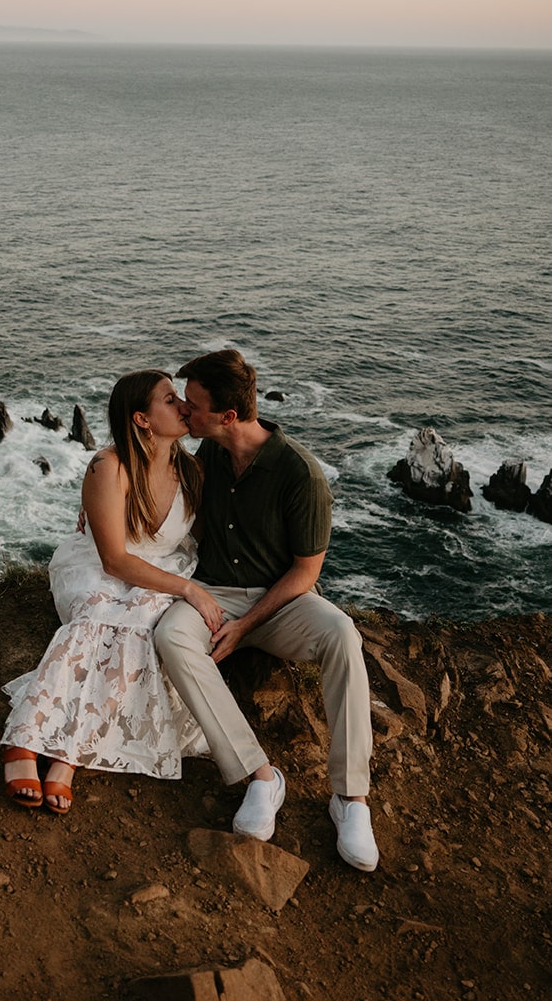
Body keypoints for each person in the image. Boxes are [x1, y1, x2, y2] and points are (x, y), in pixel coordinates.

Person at [154, 348, 379, 871]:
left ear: (228, 417)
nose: (185, 412)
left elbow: (306, 572)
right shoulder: (205, 455)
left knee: (343, 634)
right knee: (171, 637)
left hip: (281, 601)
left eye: (194, 405)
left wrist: (245, 626)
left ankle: (350, 798)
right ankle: (261, 776)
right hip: (211, 591)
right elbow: (144, 476)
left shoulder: (301, 473)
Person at [1, 369, 226, 814]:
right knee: (98, 620)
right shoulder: (110, 466)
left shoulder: (192, 470)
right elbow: (115, 561)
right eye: (169, 399)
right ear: (142, 419)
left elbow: (195, 536)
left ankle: (66, 752)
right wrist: (189, 590)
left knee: (143, 624)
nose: (182, 405)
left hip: (160, 568)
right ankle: (23, 741)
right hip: (98, 568)